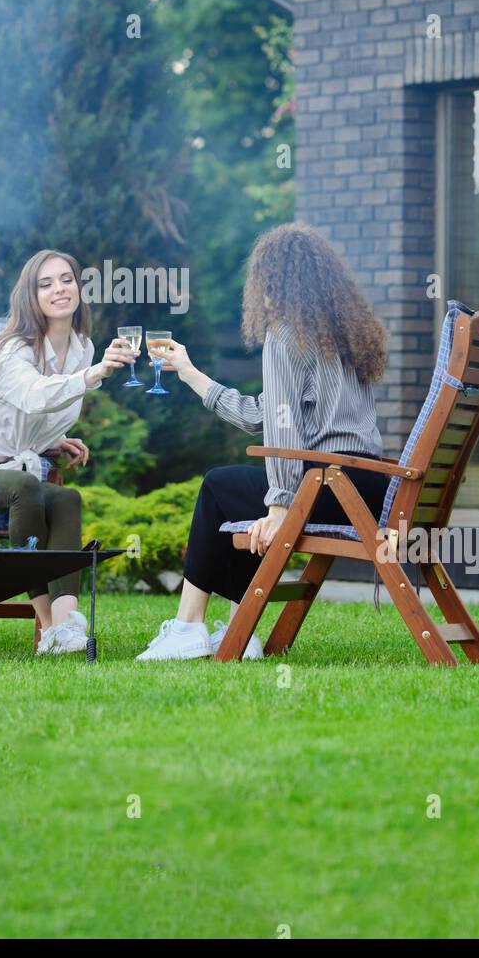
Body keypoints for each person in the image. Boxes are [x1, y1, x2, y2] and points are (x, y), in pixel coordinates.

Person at [135, 222, 390, 662]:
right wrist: (191, 373)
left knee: (218, 486)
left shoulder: (287, 334)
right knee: (239, 498)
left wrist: (280, 505)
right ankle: (241, 632)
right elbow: (263, 415)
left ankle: (187, 626)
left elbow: (284, 431)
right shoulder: (345, 336)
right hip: (367, 488)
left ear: (272, 280)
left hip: (329, 485)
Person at [0, 249, 134, 654]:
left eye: (67, 279)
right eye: (46, 283)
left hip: (9, 470)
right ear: (31, 297)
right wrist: (95, 375)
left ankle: (65, 625)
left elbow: (33, 416)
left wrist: (46, 443)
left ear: (78, 287)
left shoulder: (81, 347)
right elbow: (34, 396)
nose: (59, 289)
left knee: (68, 498)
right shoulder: (13, 348)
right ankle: (47, 623)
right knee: (26, 484)